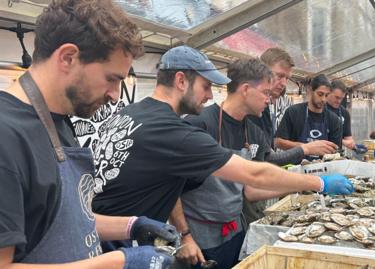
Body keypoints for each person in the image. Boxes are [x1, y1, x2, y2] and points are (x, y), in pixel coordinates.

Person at [91, 46, 354, 267]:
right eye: (206, 86)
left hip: (102, 238)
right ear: (181, 81)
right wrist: (320, 182)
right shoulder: (175, 130)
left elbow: (166, 183)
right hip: (121, 249)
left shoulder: (130, 114)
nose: (209, 95)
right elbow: (254, 172)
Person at [0, 1, 179, 268]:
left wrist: (131, 226)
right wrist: (118, 262)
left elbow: (69, 220)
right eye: (111, 78)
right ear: (68, 57)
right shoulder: (7, 136)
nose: (115, 94)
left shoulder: (58, 120)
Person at [179, 58, 353, 269]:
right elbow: (170, 187)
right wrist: (185, 236)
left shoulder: (253, 132)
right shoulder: (199, 124)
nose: (269, 100)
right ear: (245, 89)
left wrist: (299, 189)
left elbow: (251, 191)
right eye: (266, 93)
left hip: (236, 232)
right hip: (200, 240)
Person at [243, 48, 338, 226]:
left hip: (259, 191)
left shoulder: (263, 111)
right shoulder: (253, 113)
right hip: (245, 200)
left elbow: (266, 154)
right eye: (279, 76)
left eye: (286, 78)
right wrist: (306, 149)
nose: (283, 83)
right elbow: (268, 157)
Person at [275, 74, 342, 158]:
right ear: (310, 90)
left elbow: (336, 151)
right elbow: (277, 142)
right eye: (320, 94)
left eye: (326, 95)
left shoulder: (334, 120)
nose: (323, 99)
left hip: (323, 168)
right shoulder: (294, 112)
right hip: (294, 168)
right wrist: (306, 148)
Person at [326, 80, 367, 153]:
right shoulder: (319, 109)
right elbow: (318, 137)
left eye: (341, 98)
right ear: (328, 92)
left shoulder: (344, 113)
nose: (339, 101)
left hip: (336, 154)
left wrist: (355, 146)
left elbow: (348, 138)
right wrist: (343, 142)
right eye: (336, 97)